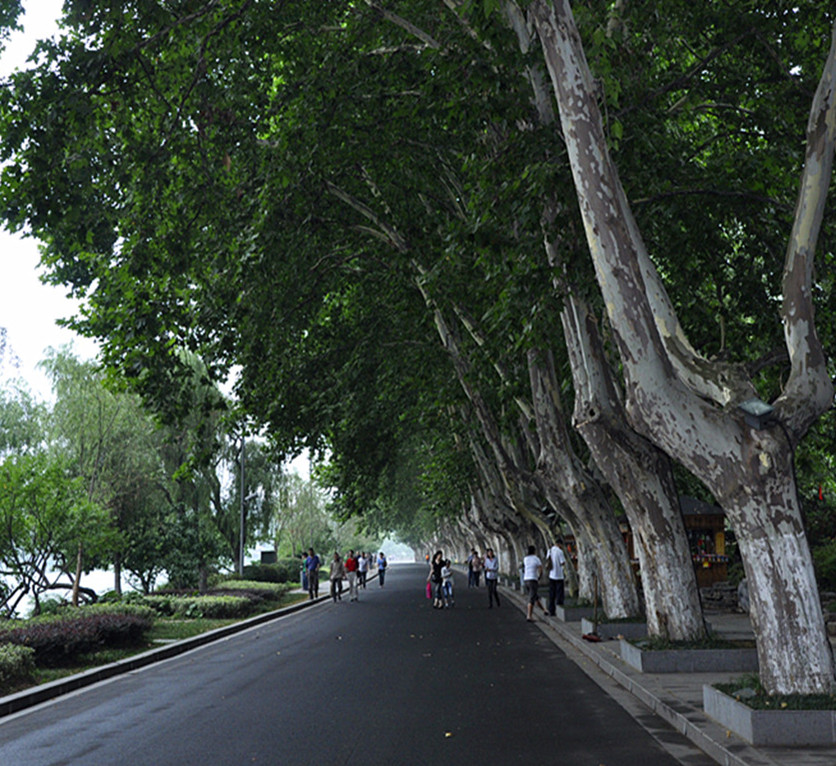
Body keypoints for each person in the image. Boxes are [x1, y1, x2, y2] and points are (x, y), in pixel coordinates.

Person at [522, 545, 548, 622]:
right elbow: (540, 569)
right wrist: (539, 576)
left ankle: (544, 610)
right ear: (534, 551)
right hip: (533, 579)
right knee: (531, 598)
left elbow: (524, 568)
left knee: (535, 596)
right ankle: (529, 616)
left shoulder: (525, 559)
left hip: (526, 579)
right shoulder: (536, 559)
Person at [546, 538, 567, 616]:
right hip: (559, 575)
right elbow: (563, 562)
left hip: (551, 575)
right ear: (560, 544)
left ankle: (551, 610)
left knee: (552, 593)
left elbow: (547, 560)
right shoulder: (560, 551)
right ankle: (559, 608)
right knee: (559, 593)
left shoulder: (550, 550)